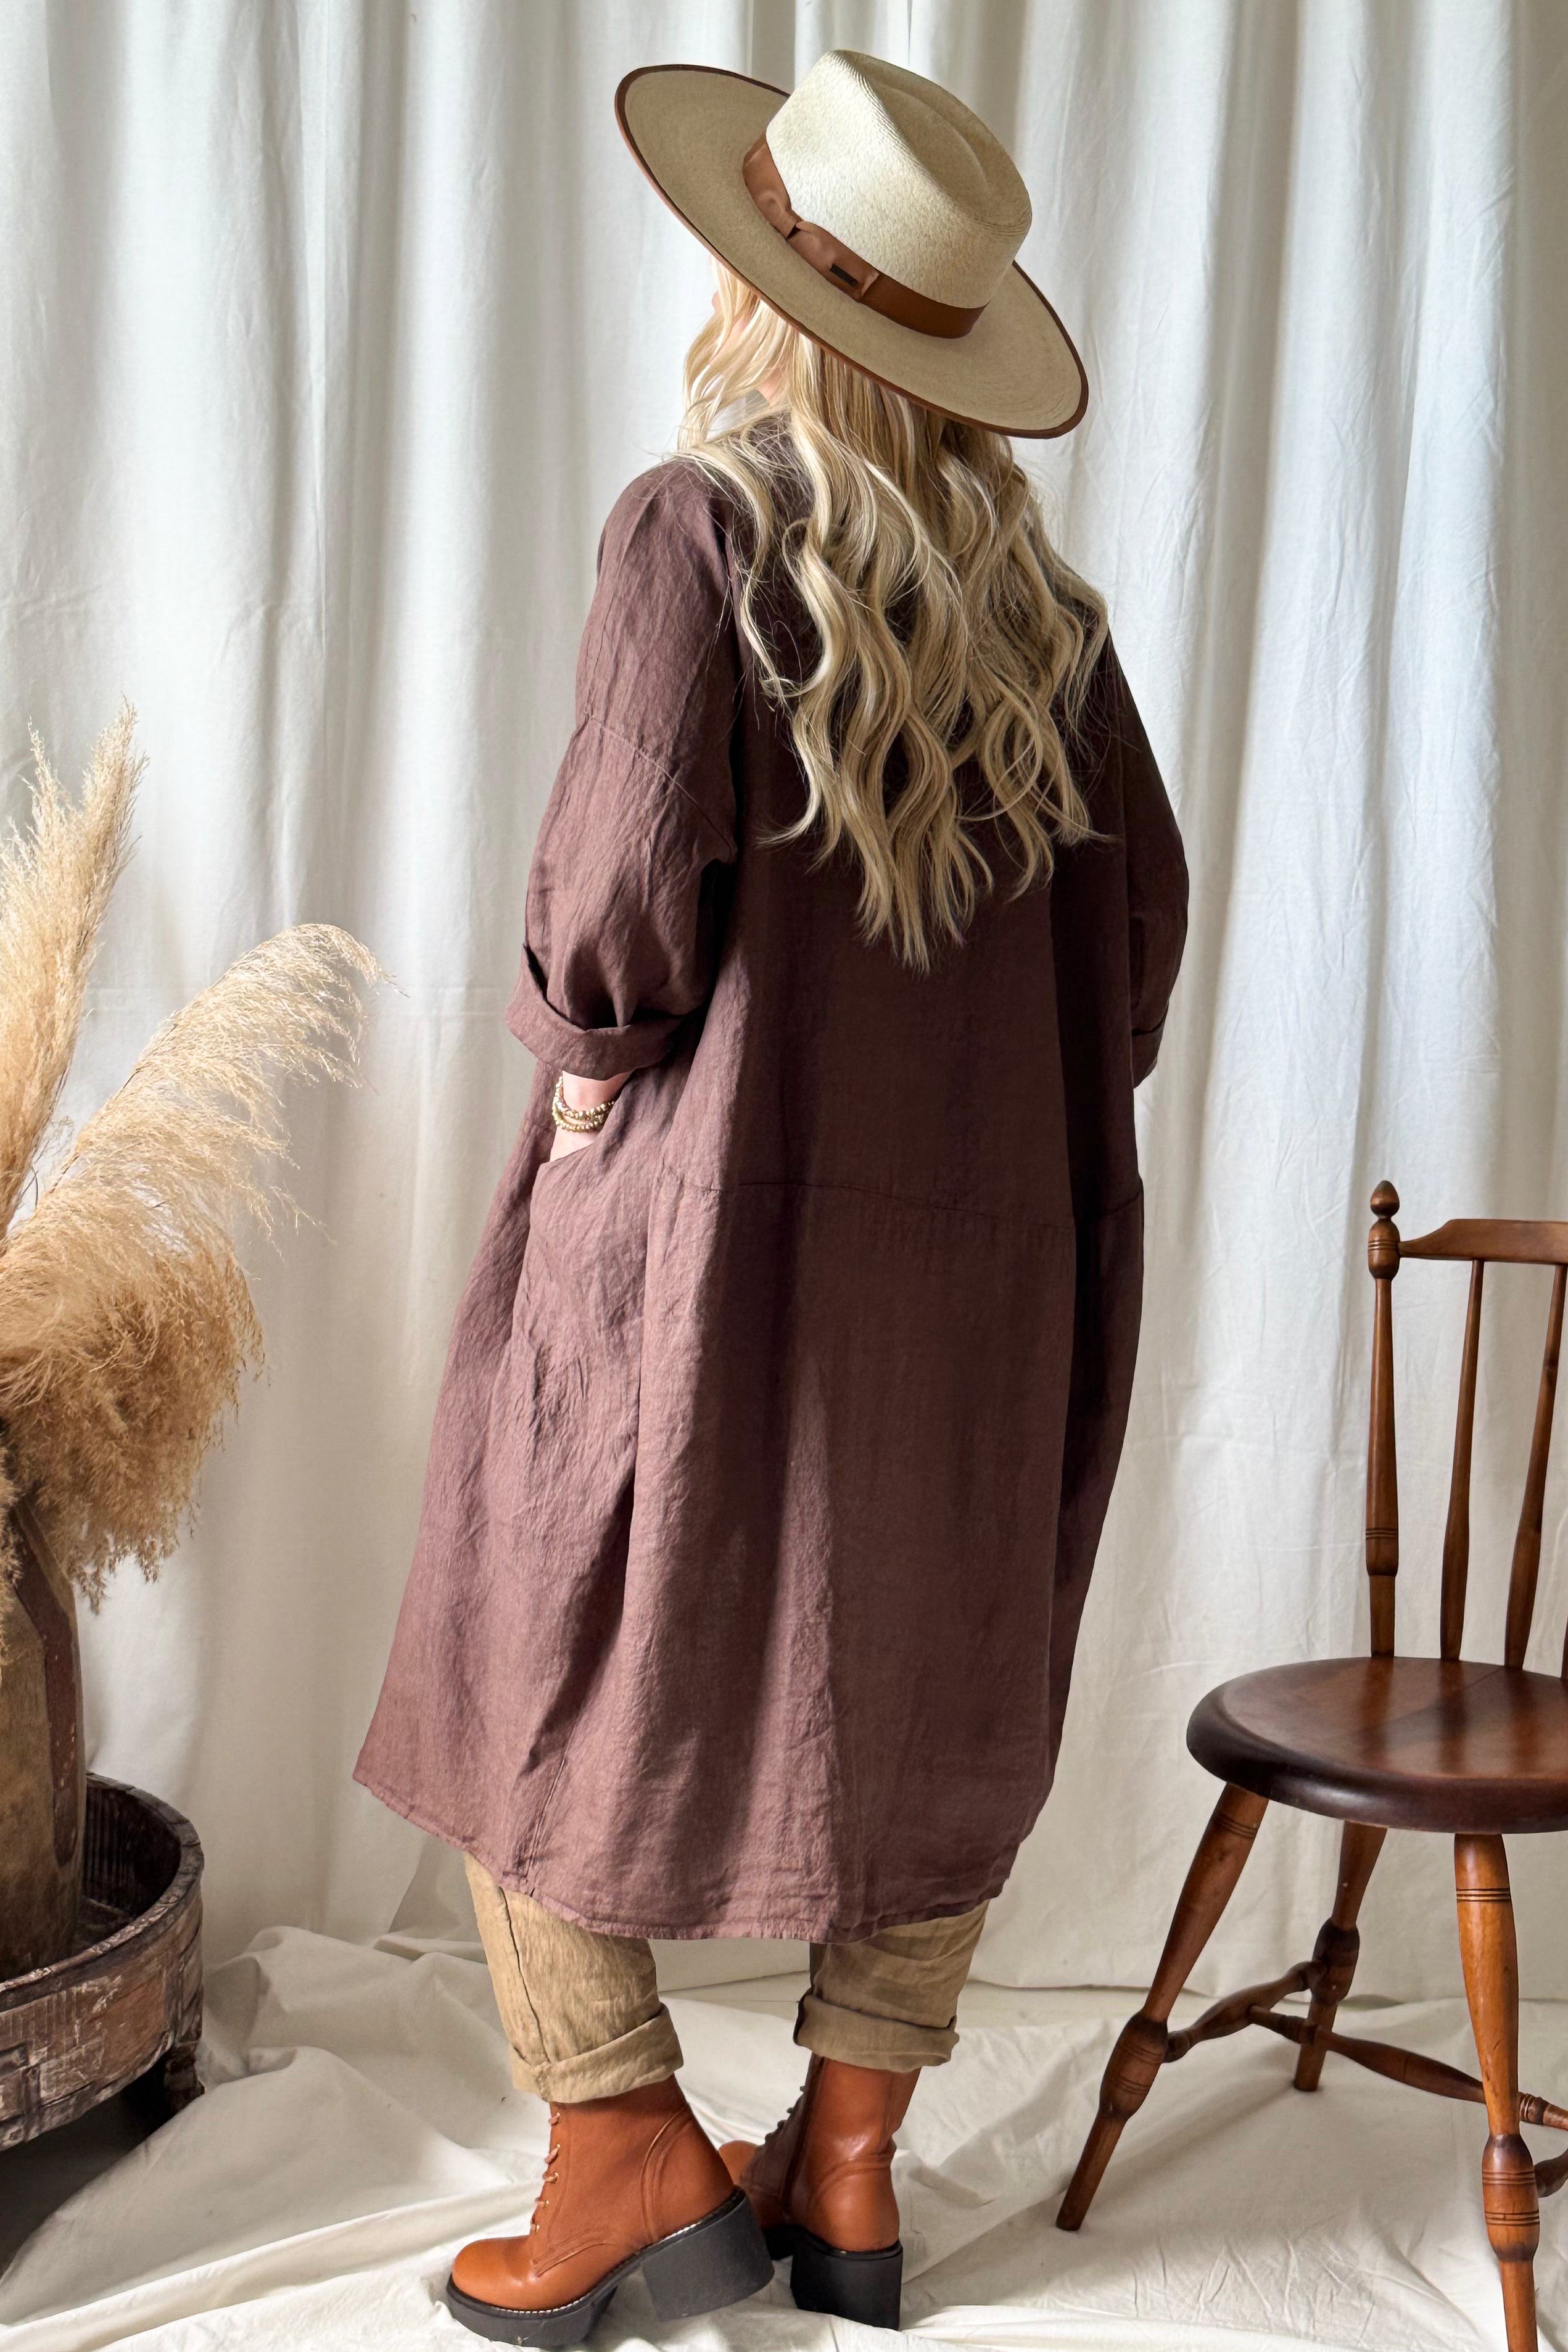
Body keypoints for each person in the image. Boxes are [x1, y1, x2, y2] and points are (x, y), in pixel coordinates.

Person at [355, 46, 1187, 2346]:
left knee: (521, 1630)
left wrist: (591, 1074)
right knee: (939, 1665)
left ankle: (621, 2141)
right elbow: (1137, 943)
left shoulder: (697, 533)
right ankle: (846, 2167)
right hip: (996, 1260)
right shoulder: (1058, 626)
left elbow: (616, 902)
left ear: (760, 292)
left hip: (711, 1233)